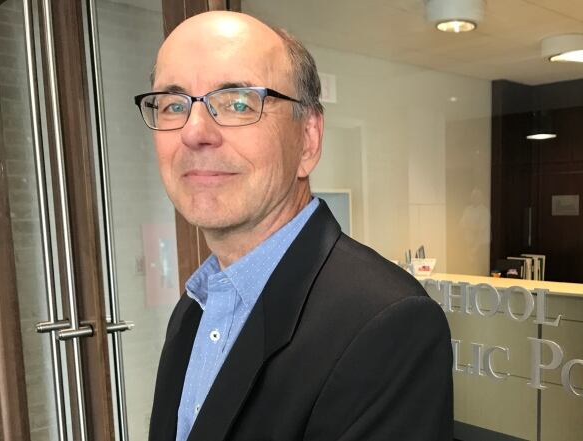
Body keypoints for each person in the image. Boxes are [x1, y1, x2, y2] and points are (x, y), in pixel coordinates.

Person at [136, 11, 453, 441]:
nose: (194, 132)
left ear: (308, 140)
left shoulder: (388, 323)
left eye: (238, 102)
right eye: (174, 104)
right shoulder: (196, 307)